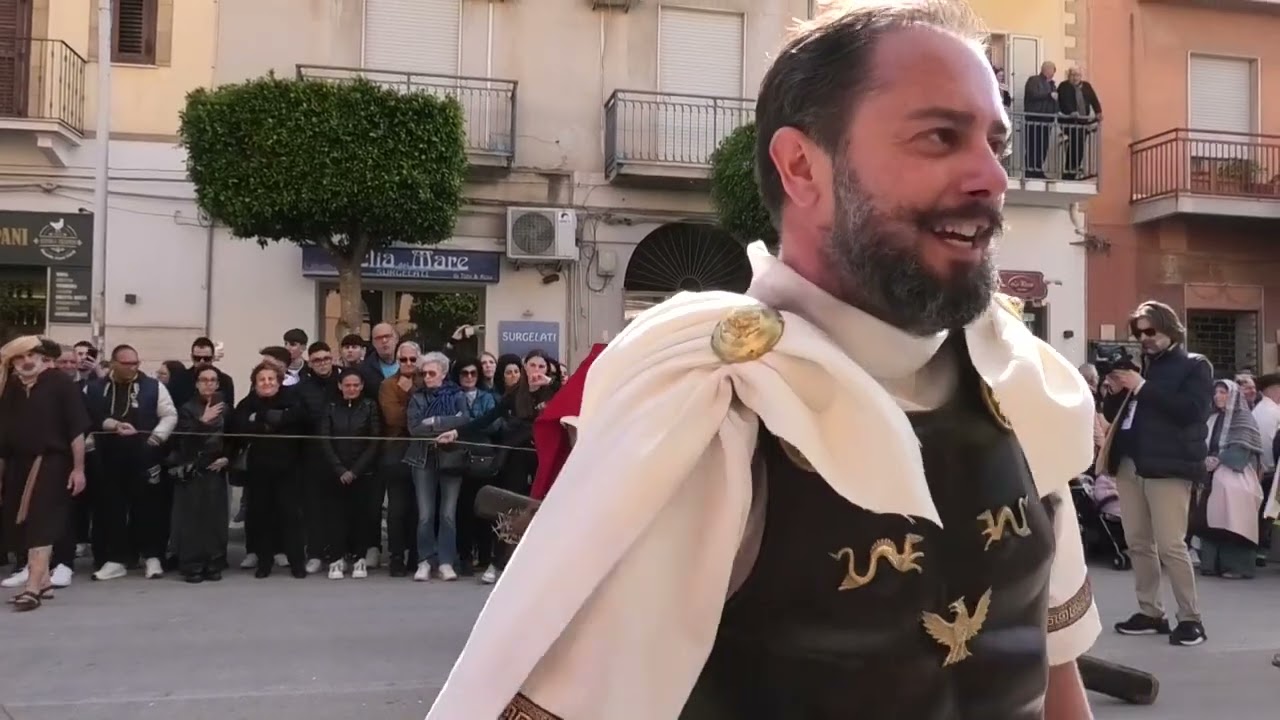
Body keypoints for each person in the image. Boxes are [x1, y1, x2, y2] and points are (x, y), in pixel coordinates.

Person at [426, 3, 1099, 718]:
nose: (990, 177)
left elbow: (1054, 677)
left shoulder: (1016, 384)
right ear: (802, 167)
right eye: (940, 136)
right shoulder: (715, 410)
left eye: (994, 142)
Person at [1095, 300, 1212, 646]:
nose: (1144, 338)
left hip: (1169, 466)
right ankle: (1150, 612)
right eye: (1138, 332)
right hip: (1131, 463)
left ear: (1169, 327)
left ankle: (1191, 619)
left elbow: (1191, 411)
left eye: (1150, 330)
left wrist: (1142, 386)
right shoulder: (1141, 366)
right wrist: (1115, 391)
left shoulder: (1194, 365)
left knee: (1171, 545)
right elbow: (1119, 414)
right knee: (1137, 543)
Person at [0, 336, 90, 612]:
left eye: (31, 356)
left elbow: (76, 430)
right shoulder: (11, 387)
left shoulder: (60, 383)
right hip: (18, 464)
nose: (26, 362)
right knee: (23, 524)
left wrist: (78, 469)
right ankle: (46, 582)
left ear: (42, 358)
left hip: (52, 462)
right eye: (20, 358)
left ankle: (32, 589)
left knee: (41, 522)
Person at [1191, 379, 1264, 579]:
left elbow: (1242, 451)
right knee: (1209, 521)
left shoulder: (1244, 419)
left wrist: (1220, 460)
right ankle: (1211, 563)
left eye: (1223, 392)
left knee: (1234, 521)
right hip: (1210, 477)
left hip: (1235, 477)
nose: (1218, 396)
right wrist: (1204, 459)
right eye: (1216, 392)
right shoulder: (1212, 418)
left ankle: (1237, 566)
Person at [168, 365, 231, 583]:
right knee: (192, 519)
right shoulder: (186, 408)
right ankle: (192, 564)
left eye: (213, 380)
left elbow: (233, 438)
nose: (209, 384)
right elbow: (183, 442)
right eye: (204, 380)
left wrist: (227, 457)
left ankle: (214, 562)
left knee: (215, 518)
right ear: (196, 384)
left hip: (216, 469)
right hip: (193, 469)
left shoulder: (225, 408)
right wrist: (202, 422)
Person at [317, 368, 382, 580]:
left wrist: (355, 471)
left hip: (363, 473)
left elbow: (374, 441)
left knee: (362, 516)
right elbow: (325, 439)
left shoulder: (370, 406)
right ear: (340, 386)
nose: (352, 389)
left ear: (362, 386)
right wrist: (340, 469)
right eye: (347, 385)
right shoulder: (331, 407)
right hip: (335, 473)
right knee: (335, 517)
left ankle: (360, 558)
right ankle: (336, 559)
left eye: (356, 385)